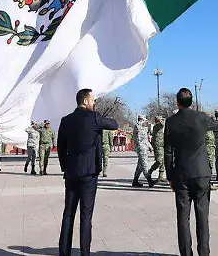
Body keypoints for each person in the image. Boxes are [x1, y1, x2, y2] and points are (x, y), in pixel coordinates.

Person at [56, 88, 119, 256]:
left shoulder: (65, 120)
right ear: (85, 101)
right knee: (86, 216)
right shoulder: (95, 118)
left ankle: (64, 252)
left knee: (68, 214)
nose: (94, 103)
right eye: (92, 100)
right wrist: (97, 115)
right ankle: (85, 252)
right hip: (89, 174)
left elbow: (60, 147)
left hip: (71, 173)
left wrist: (65, 167)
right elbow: (114, 124)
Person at [164, 88, 218, 256]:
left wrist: (169, 176)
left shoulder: (171, 122)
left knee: (183, 218)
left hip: (181, 173)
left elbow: (168, 152)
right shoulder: (201, 118)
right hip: (201, 172)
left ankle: (186, 253)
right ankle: (204, 252)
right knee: (202, 215)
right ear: (192, 102)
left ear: (177, 102)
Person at [132, 115, 152, 187]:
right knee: (144, 163)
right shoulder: (138, 126)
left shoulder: (143, 127)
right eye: (144, 120)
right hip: (141, 147)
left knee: (140, 165)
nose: (145, 122)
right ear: (141, 119)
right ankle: (149, 180)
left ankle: (135, 180)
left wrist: (149, 146)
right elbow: (141, 139)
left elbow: (145, 139)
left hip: (143, 147)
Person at [147, 116, 166, 187]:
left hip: (162, 145)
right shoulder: (156, 126)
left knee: (163, 161)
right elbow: (162, 124)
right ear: (158, 120)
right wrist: (164, 119)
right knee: (159, 161)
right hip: (158, 146)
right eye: (160, 119)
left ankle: (160, 176)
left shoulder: (159, 126)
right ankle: (150, 171)